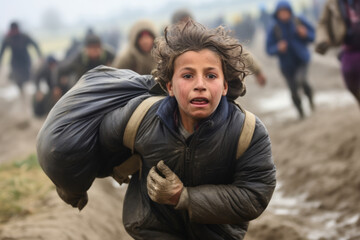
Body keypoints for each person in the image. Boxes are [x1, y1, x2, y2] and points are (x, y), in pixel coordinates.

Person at [100, 20, 276, 240]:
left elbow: (255, 195)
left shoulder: (247, 132)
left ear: (224, 86)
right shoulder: (140, 121)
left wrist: (182, 197)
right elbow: (96, 144)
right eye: (187, 75)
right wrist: (72, 181)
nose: (200, 84)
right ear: (170, 86)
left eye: (211, 76)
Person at [266, 1, 315, 119]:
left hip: (302, 59)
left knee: (301, 80)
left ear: (290, 11)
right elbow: (268, 49)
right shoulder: (274, 28)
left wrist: (305, 34)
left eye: (285, 11)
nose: (283, 14)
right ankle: (301, 112)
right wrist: (278, 48)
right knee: (293, 90)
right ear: (277, 14)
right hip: (286, 65)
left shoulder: (298, 21)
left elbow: (313, 36)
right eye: (281, 12)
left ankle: (311, 100)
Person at [315, 0, 360, 106]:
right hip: (348, 46)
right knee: (350, 80)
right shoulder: (333, 3)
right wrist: (323, 39)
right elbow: (323, 23)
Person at [0, 21, 42, 92]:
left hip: (25, 61)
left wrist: (40, 56)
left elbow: (35, 44)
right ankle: (21, 90)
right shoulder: (8, 38)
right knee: (17, 79)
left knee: (28, 77)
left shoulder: (24, 37)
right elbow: (2, 51)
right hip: (15, 62)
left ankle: (31, 91)